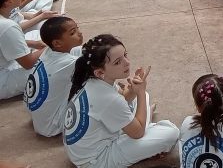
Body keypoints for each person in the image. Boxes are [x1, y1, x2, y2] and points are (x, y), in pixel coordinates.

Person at [64, 34, 180, 167]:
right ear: (100, 72)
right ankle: (146, 119)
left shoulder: (93, 80)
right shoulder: (109, 99)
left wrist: (132, 90)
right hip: (96, 161)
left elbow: (122, 99)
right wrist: (140, 92)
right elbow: (138, 133)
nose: (127, 62)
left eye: (125, 55)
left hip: (81, 150)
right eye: (118, 62)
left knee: (141, 98)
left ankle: (144, 117)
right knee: (171, 132)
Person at [24, 16, 83, 137]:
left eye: (77, 29)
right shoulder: (69, 62)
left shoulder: (48, 51)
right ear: (57, 43)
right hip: (52, 126)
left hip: (38, 116)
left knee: (82, 53)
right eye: (73, 33)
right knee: (96, 86)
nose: (80, 33)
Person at [0, 0, 45, 100]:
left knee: (37, 34)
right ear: (8, 0)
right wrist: (50, 47)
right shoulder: (7, 25)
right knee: (50, 67)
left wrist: (34, 44)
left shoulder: (5, 22)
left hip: (5, 62)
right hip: (3, 77)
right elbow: (28, 63)